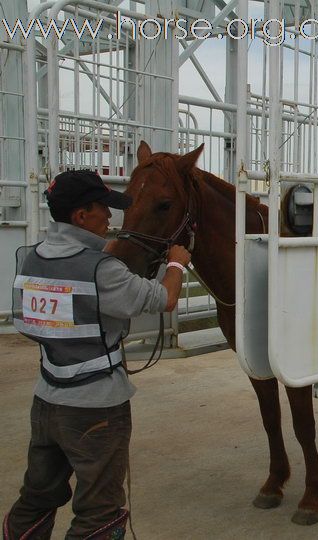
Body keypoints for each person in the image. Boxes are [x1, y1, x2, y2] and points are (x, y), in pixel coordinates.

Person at [4, 170, 191, 540]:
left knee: (36, 498)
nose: (111, 218)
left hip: (45, 400)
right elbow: (163, 299)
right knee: (99, 512)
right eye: (103, 209)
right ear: (81, 216)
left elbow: (27, 325)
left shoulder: (31, 258)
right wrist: (176, 264)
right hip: (96, 410)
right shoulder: (101, 271)